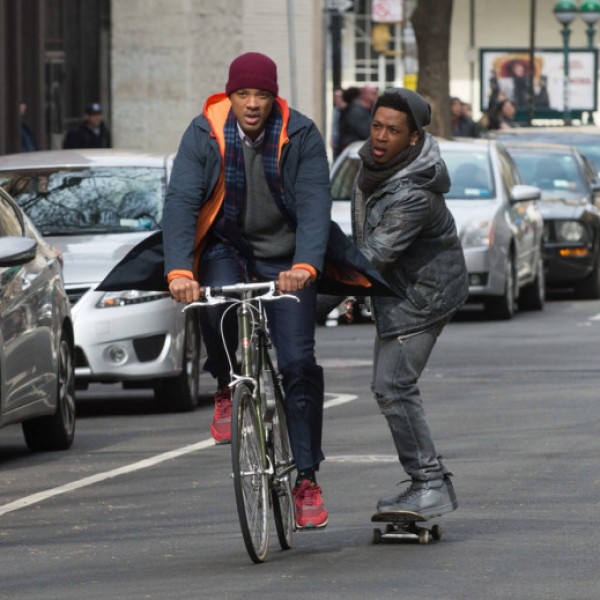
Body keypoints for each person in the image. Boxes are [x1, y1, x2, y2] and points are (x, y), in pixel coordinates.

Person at [162, 52, 333, 530]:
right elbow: (181, 201)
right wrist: (178, 271)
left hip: (287, 257)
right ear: (230, 95)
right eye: (243, 94)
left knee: (298, 363)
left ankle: (306, 479)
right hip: (227, 245)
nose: (252, 103)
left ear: (274, 97)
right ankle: (225, 383)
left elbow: (315, 203)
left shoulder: (301, 134)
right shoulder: (204, 132)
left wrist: (305, 265)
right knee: (211, 299)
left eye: (261, 94)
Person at [350, 88, 469, 519]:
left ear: (413, 138)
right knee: (389, 386)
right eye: (377, 126)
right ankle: (427, 481)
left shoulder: (413, 191)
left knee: (393, 385)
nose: (381, 137)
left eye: (393, 130)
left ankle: (430, 484)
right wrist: (353, 291)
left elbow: (372, 257)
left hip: (422, 297)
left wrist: (309, 298)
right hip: (399, 291)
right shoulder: (373, 167)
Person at [337, 85, 378, 155]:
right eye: (373, 93)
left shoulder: (368, 110)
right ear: (364, 95)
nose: (376, 96)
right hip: (354, 151)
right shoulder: (356, 111)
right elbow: (366, 132)